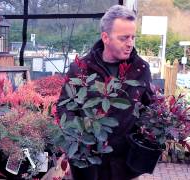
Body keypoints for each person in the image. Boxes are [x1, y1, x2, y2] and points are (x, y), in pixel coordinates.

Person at [56, 5, 153, 180]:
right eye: (124, 38)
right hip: (87, 162)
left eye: (132, 37)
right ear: (105, 37)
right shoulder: (81, 68)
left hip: (124, 166)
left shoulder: (141, 68)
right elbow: (64, 106)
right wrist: (76, 140)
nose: (130, 43)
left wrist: (143, 134)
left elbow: (150, 107)